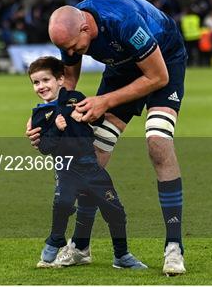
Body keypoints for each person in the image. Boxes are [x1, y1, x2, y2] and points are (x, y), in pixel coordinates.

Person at [26, 0, 187, 276]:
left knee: (157, 143)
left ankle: (174, 246)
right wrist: (45, 115)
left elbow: (156, 78)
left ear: (86, 29)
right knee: (93, 154)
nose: (72, 53)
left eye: (75, 47)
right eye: (67, 50)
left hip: (163, 63)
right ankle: (80, 246)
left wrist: (105, 101)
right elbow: (70, 81)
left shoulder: (124, 23)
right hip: (121, 68)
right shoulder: (70, 32)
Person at [29, 56, 147, 270]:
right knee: (63, 204)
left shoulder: (76, 98)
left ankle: (121, 255)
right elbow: (45, 148)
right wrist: (57, 128)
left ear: (60, 80)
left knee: (116, 211)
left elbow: (98, 119)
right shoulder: (39, 115)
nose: (41, 86)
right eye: (36, 83)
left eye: (45, 80)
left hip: (91, 167)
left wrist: (87, 115)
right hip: (66, 169)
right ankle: (55, 240)